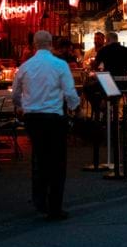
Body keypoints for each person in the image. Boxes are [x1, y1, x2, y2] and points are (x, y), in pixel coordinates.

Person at [13, 30, 80, 221]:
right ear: (51, 44)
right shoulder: (60, 65)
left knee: (39, 157)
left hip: (33, 118)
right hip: (54, 117)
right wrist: (76, 108)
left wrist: (20, 106)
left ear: (34, 45)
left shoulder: (25, 67)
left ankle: (39, 199)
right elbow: (69, 91)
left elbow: (16, 92)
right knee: (57, 162)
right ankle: (55, 206)